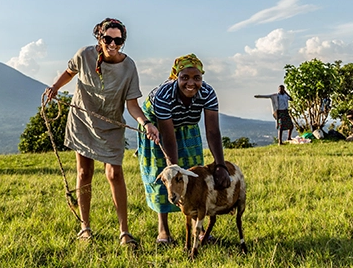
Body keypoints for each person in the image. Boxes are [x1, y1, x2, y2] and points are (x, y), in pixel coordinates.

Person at [43, 18, 159, 249]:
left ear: (122, 41)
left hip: (111, 124)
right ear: (99, 38)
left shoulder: (129, 67)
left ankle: (124, 231)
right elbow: (69, 71)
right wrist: (55, 87)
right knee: (84, 173)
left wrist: (146, 123)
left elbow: (132, 105)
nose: (113, 44)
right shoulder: (84, 55)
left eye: (118, 40)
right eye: (108, 39)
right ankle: (85, 227)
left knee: (115, 174)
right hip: (82, 120)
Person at [136, 54, 230, 245]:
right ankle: (163, 231)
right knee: (164, 176)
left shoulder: (208, 93)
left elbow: (212, 131)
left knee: (194, 174)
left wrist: (221, 166)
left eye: (197, 78)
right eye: (184, 77)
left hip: (187, 126)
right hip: (157, 127)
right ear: (176, 77)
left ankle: (199, 228)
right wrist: (173, 168)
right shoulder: (163, 95)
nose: (191, 83)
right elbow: (169, 138)